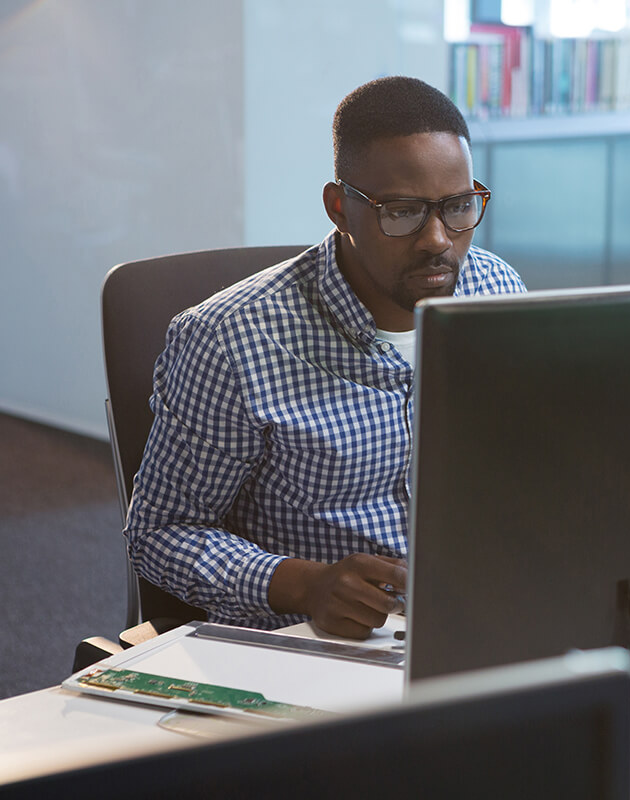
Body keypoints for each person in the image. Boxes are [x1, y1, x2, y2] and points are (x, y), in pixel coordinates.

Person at [124, 76, 526, 638]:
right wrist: (306, 585)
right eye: (403, 212)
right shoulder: (230, 340)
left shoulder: (496, 289)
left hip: (481, 618)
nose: (438, 238)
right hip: (317, 647)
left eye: (458, 207)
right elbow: (160, 532)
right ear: (340, 207)